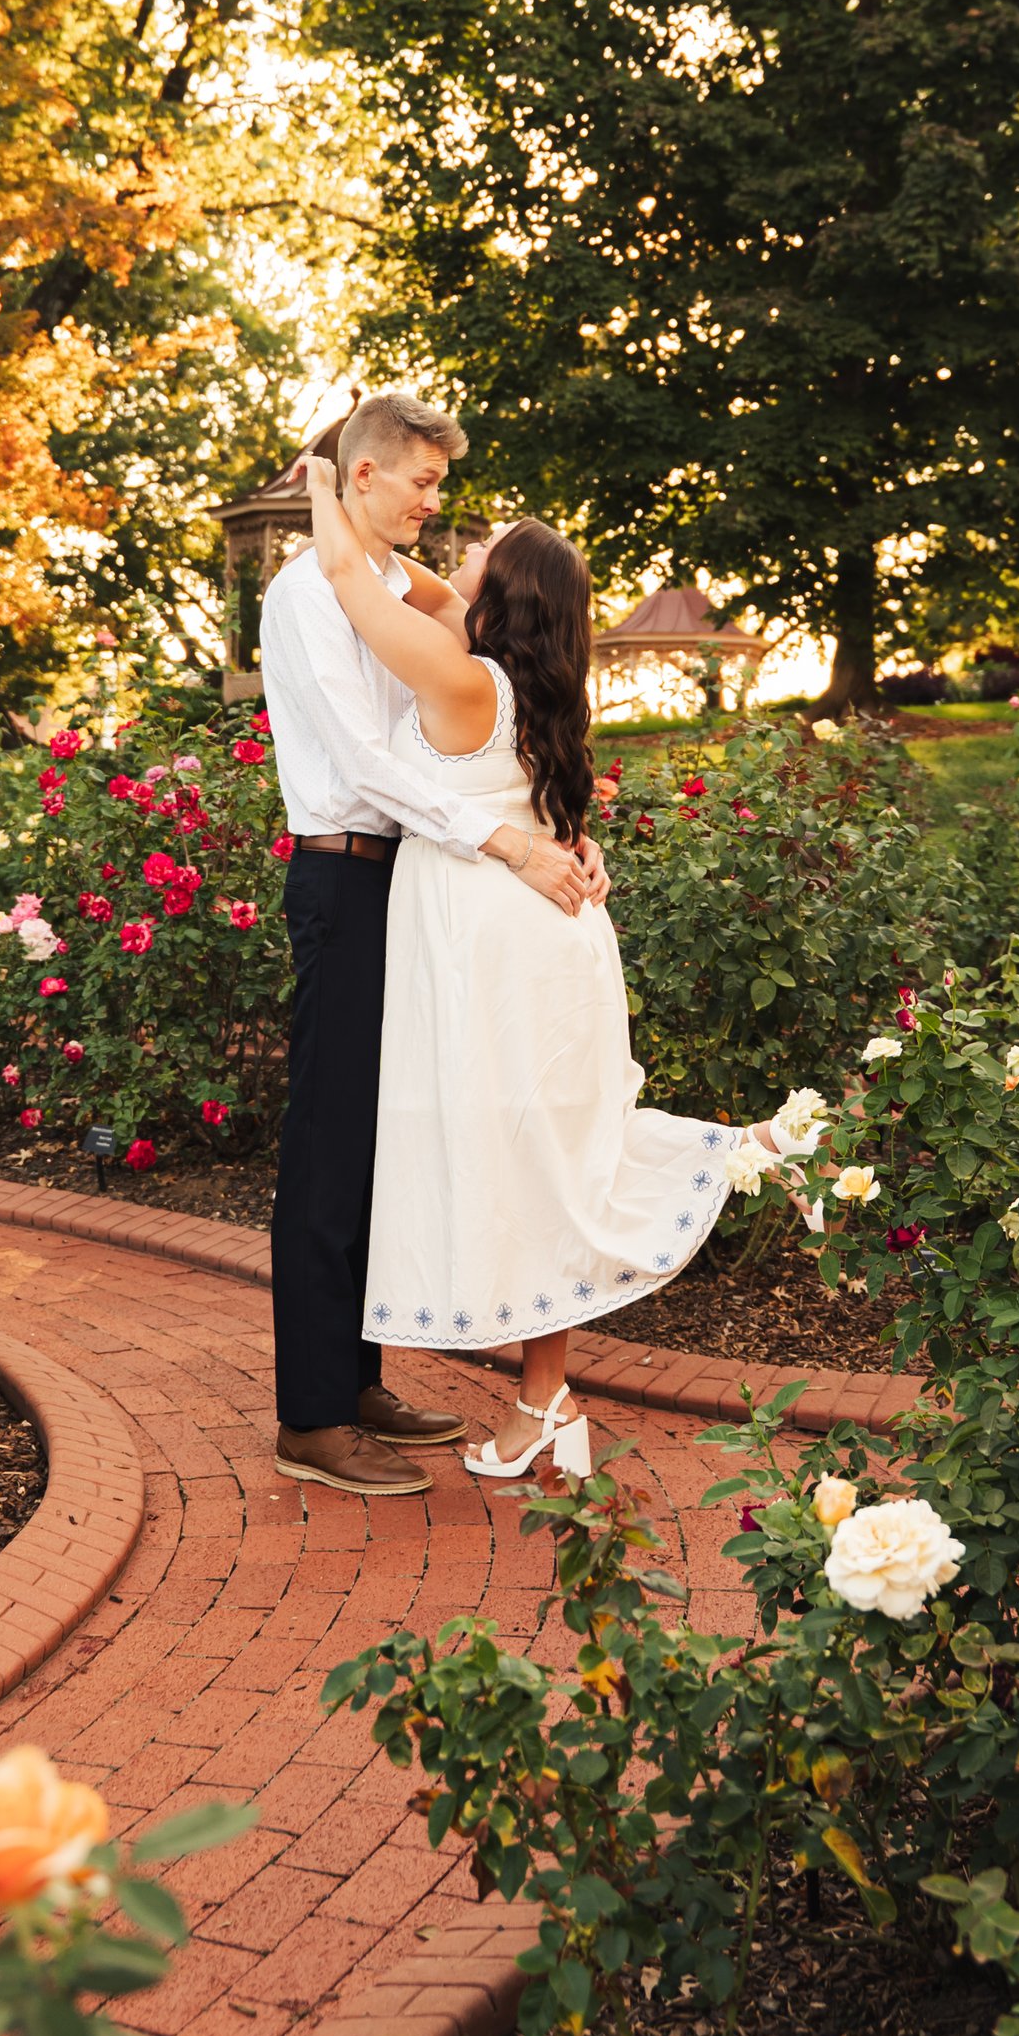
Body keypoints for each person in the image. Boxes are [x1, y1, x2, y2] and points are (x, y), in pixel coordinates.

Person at [302, 459, 756, 1480]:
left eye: (484, 544)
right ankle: (541, 1401)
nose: (459, 544)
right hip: (548, 936)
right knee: (544, 1156)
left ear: (500, 588)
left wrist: (328, 480)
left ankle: (741, 1149)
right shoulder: (530, 683)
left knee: (520, 1158)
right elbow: (418, 584)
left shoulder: (462, 678)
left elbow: (346, 572)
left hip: (489, 942)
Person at [256, 392, 609, 1498]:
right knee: (327, 1143)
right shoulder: (310, 593)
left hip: (407, 884)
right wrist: (511, 840)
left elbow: (501, 718)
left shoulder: (412, 599)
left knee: (378, 1138)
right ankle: (311, 1419)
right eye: (419, 480)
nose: (435, 501)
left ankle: (354, 1381)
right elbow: (369, 767)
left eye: (441, 485)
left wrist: (556, 832)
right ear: (362, 477)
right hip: (344, 873)